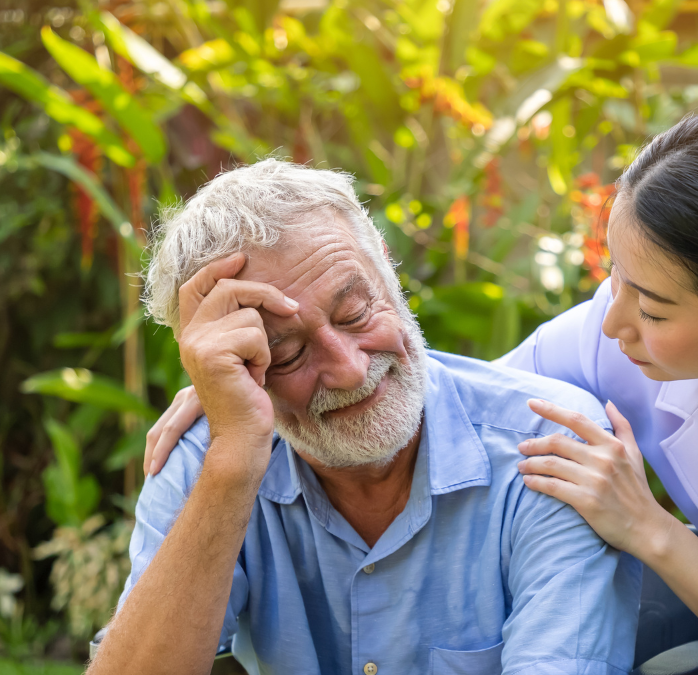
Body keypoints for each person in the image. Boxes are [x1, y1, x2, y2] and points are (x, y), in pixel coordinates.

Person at [147, 107, 698, 674]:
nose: (609, 321)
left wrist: (651, 529)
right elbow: (447, 412)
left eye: (649, 304)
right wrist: (246, 400)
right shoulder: (636, 328)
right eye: (612, 274)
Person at [89, 159, 641, 675]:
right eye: (287, 354)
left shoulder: (548, 447)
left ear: (386, 267)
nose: (350, 371)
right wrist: (232, 461)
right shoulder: (207, 455)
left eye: (355, 312)